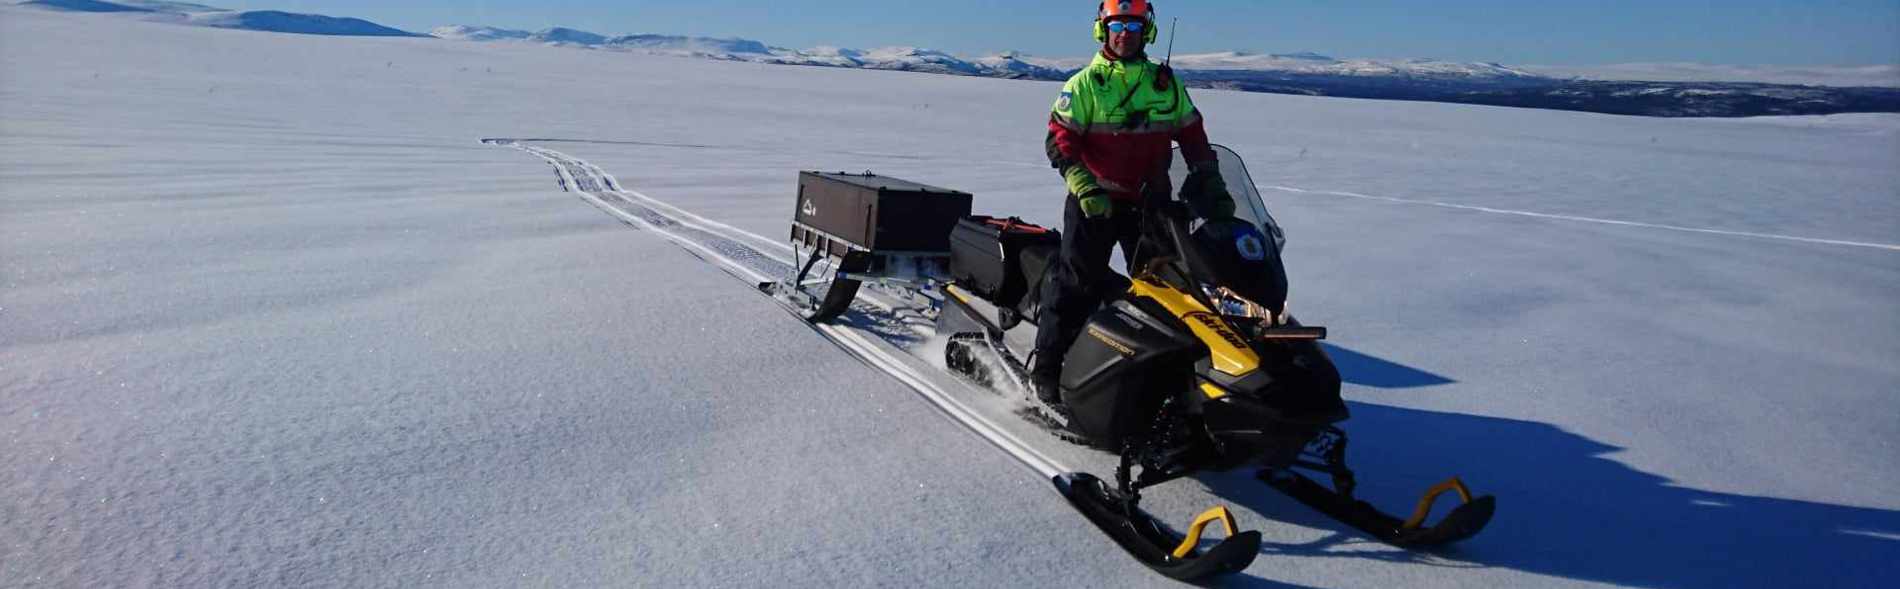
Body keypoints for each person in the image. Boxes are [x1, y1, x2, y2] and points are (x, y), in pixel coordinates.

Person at [1032, 0, 1232, 407]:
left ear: (1147, 32)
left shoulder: (1166, 84)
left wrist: (1209, 178)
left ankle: (1164, 373)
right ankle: (1048, 371)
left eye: (1134, 25)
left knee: (1168, 289)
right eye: (1117, 24)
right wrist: (1083, 184)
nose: (1125, 33)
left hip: (1151, 205)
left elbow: (1192, 135)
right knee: (1075, 285)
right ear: (1103, 31)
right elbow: (1060, 140)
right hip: (1095, 204)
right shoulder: (1084, 85)